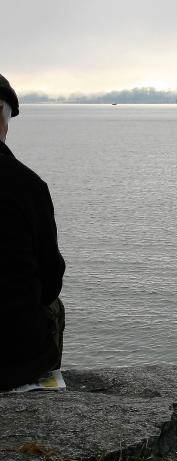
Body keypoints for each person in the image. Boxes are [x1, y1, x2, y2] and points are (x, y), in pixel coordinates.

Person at [0, 74, 66, 391]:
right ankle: (41, 389)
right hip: (11, 361)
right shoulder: (26, 185)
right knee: (53, 307)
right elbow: (51, 277)